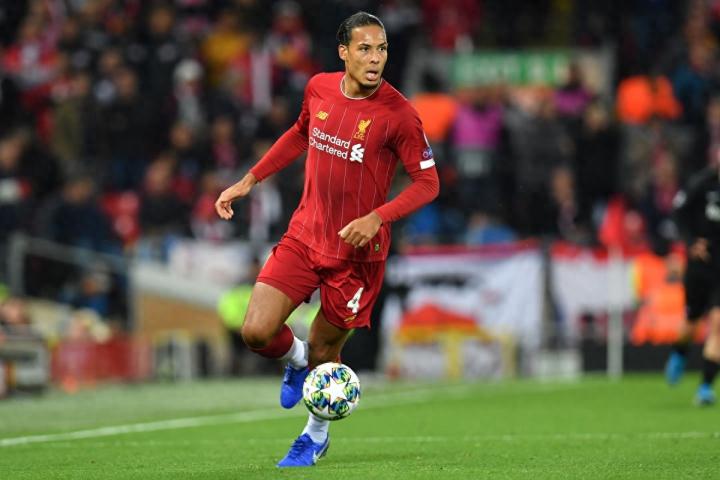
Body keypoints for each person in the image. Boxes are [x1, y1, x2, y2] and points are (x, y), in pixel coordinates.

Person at [214, 12, 439, 467]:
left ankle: (314, 436)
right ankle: (295, 358)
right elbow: (300, 133)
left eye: (381, 49)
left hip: (357, 256)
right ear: (344, 52)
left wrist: (378, 217)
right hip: (305, 234)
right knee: (256, 331)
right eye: (365, 49)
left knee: (326, 351)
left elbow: (428, 183)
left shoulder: (399, 115)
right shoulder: (318, 88)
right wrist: (249, 179)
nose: (375, 59)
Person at [665, 162, 720, 405]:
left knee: (718, 323)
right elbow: (678, 213)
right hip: (700, 265)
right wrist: (690, 243)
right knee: (691, 321)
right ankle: (679, 352)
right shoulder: (701, 183)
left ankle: (705, 387)